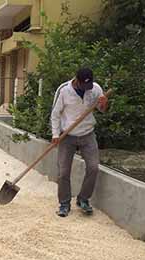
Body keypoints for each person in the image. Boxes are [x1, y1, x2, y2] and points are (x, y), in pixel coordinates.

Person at [50, 68, 109, 217]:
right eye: (83, 85)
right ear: (77, 80)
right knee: (63, 172)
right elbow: (55, 114)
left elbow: (101, 109)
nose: (86, 89)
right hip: (67, 135)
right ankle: (64, 204)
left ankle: (83, 199)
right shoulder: (64, 90)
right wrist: (55, 134)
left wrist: (103, 103)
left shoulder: (95, 89)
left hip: (87, 134)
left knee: (93, 168)